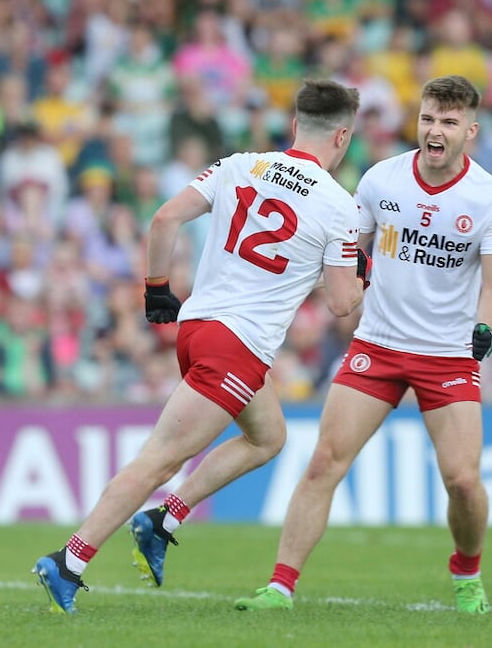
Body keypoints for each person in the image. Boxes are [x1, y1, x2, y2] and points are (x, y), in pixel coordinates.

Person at [32, 78, 371, 614]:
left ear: (294, 126)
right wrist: (364, 268)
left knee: (268, 437)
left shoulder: (240, 163)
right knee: (158, 461)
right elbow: (340, 303)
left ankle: (164, 519)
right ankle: (68, 561)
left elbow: (165, 217)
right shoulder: (338, 205)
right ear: (343, 137)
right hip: (237, 345)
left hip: (198, 329)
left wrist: (156, 288)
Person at [234, 75, 492, 615]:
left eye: (449, 122)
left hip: (447, 352)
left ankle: (467, 570)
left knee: (462, 479)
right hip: (378, 345)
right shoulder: (381, 180)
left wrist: (486, 328)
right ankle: (280, 586)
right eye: (429, 118)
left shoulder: (490, 199)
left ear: (470, 131)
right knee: (323, 463)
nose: (436, 130)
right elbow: (351, 247)